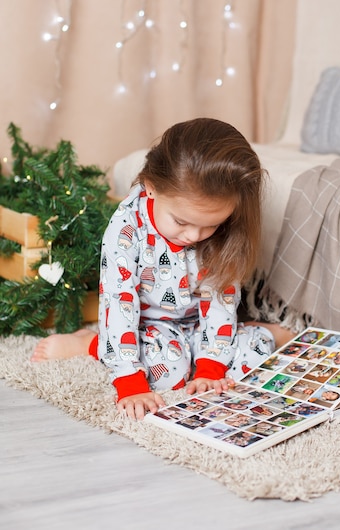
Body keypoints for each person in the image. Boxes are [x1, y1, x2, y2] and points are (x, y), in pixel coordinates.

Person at [31, 118, 295, 419]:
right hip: (150, 325)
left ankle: (261, 332)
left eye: (212, 225)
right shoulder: (126, 229)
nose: (194, 236)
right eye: (181, 222)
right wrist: (129, 381)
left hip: (199, 323)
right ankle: (91, 343)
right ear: (152, 187)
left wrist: (210, 367)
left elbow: (220, 300)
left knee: (253, 359)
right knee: (169, 375)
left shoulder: (226, 230)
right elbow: (120, 302)